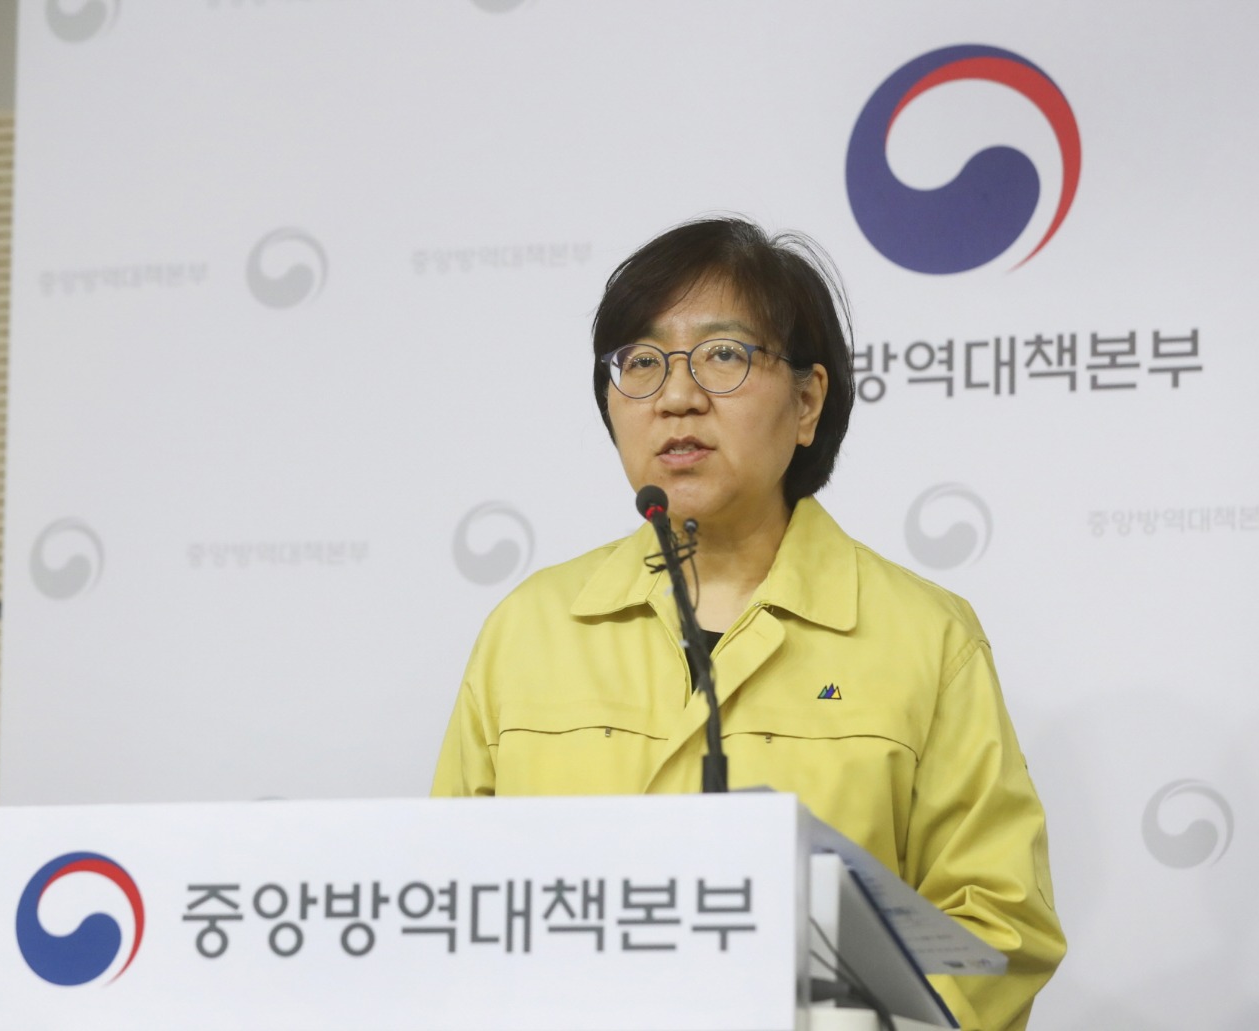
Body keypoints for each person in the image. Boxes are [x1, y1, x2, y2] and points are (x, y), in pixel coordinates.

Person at [432, 216, 1065, 1030]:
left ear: (807, 400)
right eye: (642, 362)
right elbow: (445, 907)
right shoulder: (529, 630)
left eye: (723, 354)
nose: (677, 396)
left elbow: (998, 930)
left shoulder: (925, 637)